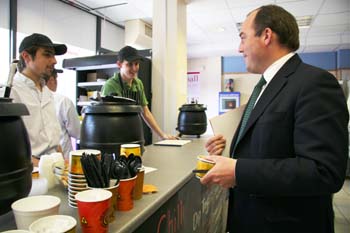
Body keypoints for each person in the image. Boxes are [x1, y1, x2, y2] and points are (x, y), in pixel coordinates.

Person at [201, 5, 348, 233]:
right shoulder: (263, 87)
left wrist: (238, 171)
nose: (239, 48)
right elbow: (267, 144)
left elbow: (323, 171)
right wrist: (228, 147)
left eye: (243, 37)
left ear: (267, 35)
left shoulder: (314, 83)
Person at [10, 33, 67, 163]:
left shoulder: (46, 92)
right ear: (26, 57)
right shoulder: (10, 92)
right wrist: (39, 165)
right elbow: (8, 146)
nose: (54, 61)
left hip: (54, 166)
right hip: (29, 170)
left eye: (53, 55)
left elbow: (54, 139)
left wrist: (62, 164)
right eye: (47, 55)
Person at [101, 45, 177, 140]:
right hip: (114, 137)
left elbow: (145, 112)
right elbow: (106, 119)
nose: (134, 68)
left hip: (133, 133)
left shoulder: (138, 84)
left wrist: (162, 135)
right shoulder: (111, 86)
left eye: (136, 64)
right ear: (119, 64)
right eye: (129, 64)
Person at [43, 69, 81, 160]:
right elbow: (77, 132)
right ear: (52, 80)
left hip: (40, 160)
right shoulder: (63, 101)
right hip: (62, 158)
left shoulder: (33, 98)